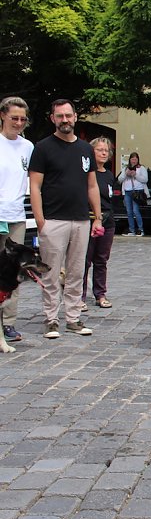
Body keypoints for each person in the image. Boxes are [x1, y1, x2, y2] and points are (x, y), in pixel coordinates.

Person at [28, 98, 103, 339]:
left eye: (68, 115)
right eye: (59, 116)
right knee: (50, 273)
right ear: (53, 119)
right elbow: (35, 186)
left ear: (75, 117)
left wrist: (98, 217)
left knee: (76, 272)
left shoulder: (85, 149)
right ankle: (51, 319)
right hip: (53, 219)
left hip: (81, 219)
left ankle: (73, 318)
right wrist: (41, 222)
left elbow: (92, 186)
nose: (64, 120)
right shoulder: (43, 147)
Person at [0, 97, 34, 343]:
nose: (19, 123)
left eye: (23, 119)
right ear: (3, 116)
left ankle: (9, 323)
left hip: (16, 217)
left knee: (14, 272)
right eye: (14, 118)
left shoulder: (28, 147)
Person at [83, 137, 116, 309]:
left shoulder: (109, 175)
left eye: (106, 150)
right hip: (89, 220)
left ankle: (100, 294)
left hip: (107, 221)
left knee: (102, 259)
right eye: (99, 149)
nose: (104, 152)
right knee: (84, 260)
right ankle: (79, 296)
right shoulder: (86, 173)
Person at [118, 152, 148, 236]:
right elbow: (119, 180)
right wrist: (125, 174)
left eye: (135, 159)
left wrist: (135, 175)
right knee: (129, 212)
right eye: (132, 159)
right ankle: (132, 230)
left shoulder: (141, 168)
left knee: (136, 211)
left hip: (137, 191)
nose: (134, 161)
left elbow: (145, 180)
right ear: (130, 160)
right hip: (127, 191)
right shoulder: (126, 168)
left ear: (138, 160)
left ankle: (140, 229)